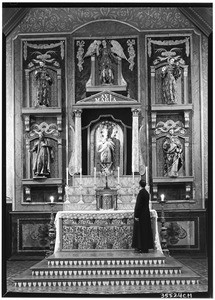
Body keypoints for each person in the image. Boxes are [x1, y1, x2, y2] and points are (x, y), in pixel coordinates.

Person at [131, 180, 154, 253]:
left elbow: (139, 205)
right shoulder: (147, 193)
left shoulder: (141, 193)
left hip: (141, 215)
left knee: (141, 231)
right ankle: (145, 247)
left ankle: (141, 246)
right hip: (146, 214)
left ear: (139, 185)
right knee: (145, 231)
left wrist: (137, 215)